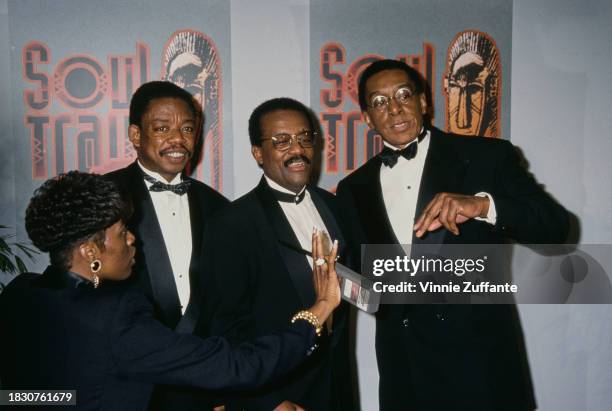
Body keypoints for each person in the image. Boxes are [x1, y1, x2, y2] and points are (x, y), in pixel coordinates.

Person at [336, 59, 570, 411]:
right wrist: (334, 277)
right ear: (368, 117)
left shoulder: (486, 158)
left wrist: (482, 206)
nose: (395, 109)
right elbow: (368, 289)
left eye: (403, 95)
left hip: (481, 373)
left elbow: (556, 229)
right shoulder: (355, 188)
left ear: (424, 101)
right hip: (406, 378)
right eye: (380, 102)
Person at [0, 171, 340, 411]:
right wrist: (319, 310)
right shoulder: (116, 318)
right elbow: (241, 366)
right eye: (122, 232)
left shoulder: (21, 292)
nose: (133, 238)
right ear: (90, 251)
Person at [203, 98, 354, 411]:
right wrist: (266, 401)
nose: (297, 150)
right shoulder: (232, 223)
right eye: (281, 141)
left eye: (304, 138)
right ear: (258, 153)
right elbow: (225, 327)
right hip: (280, 395)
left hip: (338, 390)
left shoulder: (338, 207)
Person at [105, 81, 228, 410]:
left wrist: (225, 390)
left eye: (187, 128)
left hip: (202, 383)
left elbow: (227, 302)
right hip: (127, 385)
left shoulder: (218, 207)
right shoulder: (102, 196)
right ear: (135, 135)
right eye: (162, 128)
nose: (178, 139)